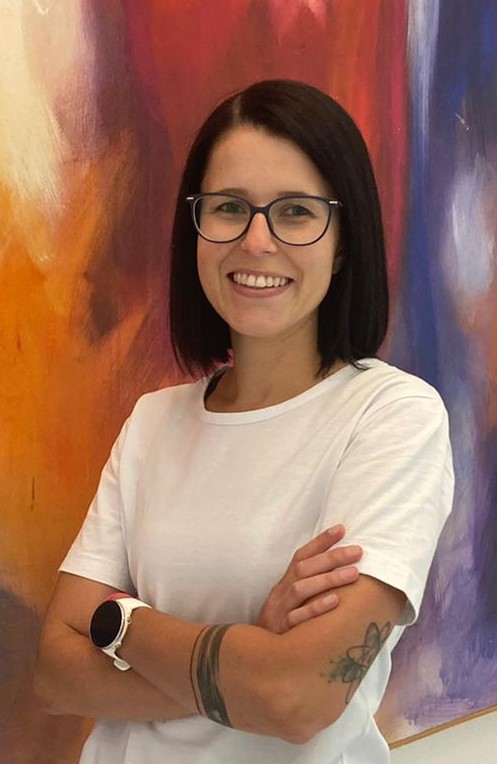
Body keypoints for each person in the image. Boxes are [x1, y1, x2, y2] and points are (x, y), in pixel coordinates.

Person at [34, 80, 454, 763]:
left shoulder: (391, 418)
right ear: (195, 229)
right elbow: (55, 676)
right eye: (229, 207)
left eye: (296, 212)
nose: (256, 241)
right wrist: (249, 646)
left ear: (343, 242)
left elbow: (296, 700)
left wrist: (119, 622)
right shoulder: (152, 422)